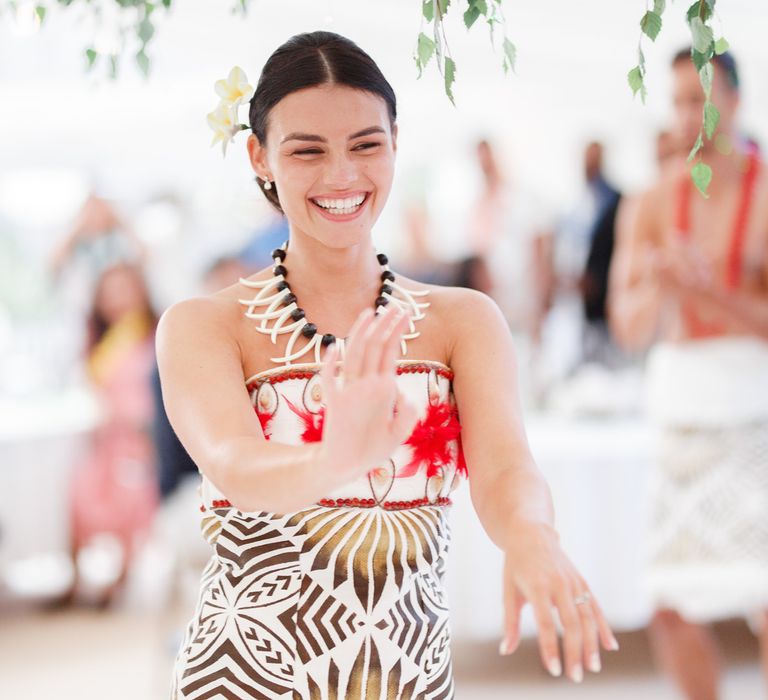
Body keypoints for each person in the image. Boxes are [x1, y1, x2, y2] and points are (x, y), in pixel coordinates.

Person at [157, 31, 617, 698]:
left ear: (396, 141)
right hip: (245, 676)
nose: (342, 176)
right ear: (259, 157)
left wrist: (530, 533)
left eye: (366, 145)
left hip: (407, 674)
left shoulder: (465, 320)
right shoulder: (204, 326)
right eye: (307, 151)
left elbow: (508, 469)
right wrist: (330, 460)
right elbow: (237, 467)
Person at [610, 48, 768, 699]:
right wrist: (662, 287)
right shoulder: (649, 203)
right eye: (676, 101)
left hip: (753, 412)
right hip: (681, 415)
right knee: (668, 605)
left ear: (734, 101)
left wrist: (708, 294)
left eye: (699, 99)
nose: (686, 115)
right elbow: (628, 328)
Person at [69, 262, 159, 605]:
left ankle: (122, 576)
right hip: (105, 434)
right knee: (82, 497)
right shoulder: (100, 338)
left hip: (139, 435)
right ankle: (78, 578)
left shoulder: (153, 333)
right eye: (110, 289)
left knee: (130, 503)